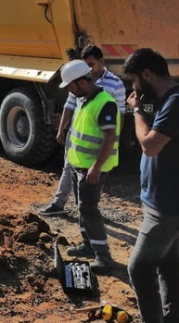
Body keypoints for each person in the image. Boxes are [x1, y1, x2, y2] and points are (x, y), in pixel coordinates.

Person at [124, 48, 179, 323]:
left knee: (140, 268)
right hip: (160, 201)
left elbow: (150, 145)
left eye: (134, 80)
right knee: (170, 266)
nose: (134, 87)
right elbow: (146, 114)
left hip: (167, 208)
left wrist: (136, 111)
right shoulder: (162, 99)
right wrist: (138, 105)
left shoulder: (176, 102)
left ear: (147, 74)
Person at [40, 45, 126, 216]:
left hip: (97, 140)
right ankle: (60, 204)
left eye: (91, 64)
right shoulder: (78, 79)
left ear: (101, 61)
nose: (88, 69)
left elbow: (120, 114)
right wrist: (62, 129)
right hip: (76, 136)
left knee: (92, 176)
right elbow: (69, 106)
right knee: (68, 167)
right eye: (85, 65)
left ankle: (87, 211)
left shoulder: (115, 84)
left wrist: (115, 138)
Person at [58, 59, 120, 272]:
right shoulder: (84, 100)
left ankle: (103, 255)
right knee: (82, 206)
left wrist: (96, 167)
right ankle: (88, 245)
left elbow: (109, 136)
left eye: (70, 86)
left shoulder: (105, 103)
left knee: (88, 208)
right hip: (79, 165)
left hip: (92, 168)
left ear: (81, 82)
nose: (69, 90)